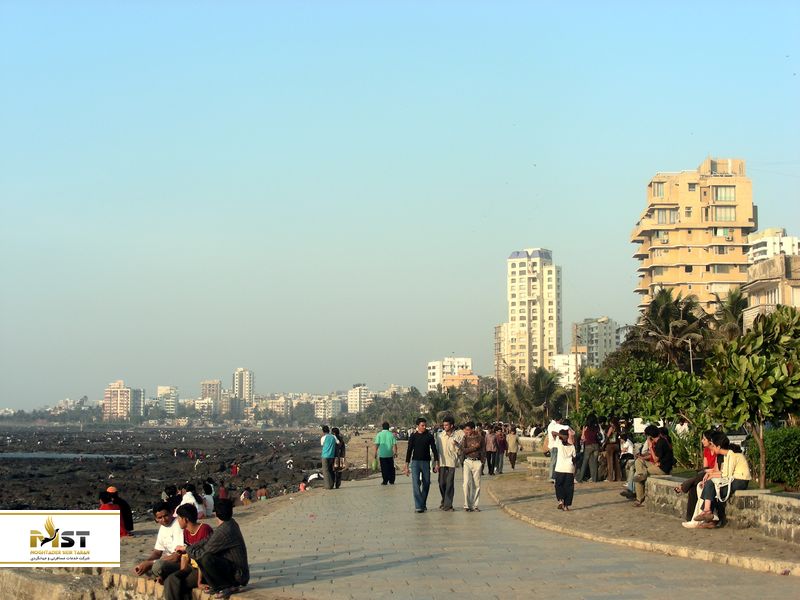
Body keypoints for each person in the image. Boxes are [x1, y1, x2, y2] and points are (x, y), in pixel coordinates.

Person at [185, 499, 249, 599]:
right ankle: (219, 586)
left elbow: (202, 553)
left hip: (238, 576)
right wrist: (192, 547)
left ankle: (225, 587)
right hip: (238, 572)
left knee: (205, 558)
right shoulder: (230, 523)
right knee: (205, 556)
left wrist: (187, 549)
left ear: (216, 514)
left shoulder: (224, 531)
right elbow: (209, 538)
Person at [690, 431, 751, 528]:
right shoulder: (727, 455)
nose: (712, 448)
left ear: (718, 447)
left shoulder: (732, 455)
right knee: (711, 486)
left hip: (740, 481)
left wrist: (711, 475)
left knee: (712, 486)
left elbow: (726, 475)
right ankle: (708, 515)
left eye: (713, 446)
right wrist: (711, 474)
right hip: (734, 480)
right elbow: (724, 473)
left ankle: (707, 512)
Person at [163, 504, 214, 600]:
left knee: (181, 584)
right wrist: (182, 572)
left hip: (204, 569)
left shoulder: (204, 529)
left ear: (185, 519)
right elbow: (185, 555)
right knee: (171, 579)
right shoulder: (186, 531)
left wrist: (199, 582)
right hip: (192, 566)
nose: (177, 521)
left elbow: (204, 558)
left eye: (178, 518)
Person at [133, 501, 184, 582]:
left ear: (172, 512)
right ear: (156, 519)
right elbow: (157, 553)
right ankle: (160, 576)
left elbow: (177, 556)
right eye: (160, 518)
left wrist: (151, 563)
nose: (163, 520)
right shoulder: (163, 527)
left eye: (166, 515)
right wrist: (145, 563)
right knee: (141, 564)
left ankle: (162, 576)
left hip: (180, 562)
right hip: (168, 560)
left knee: (157, 566)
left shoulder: (178, 525)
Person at [632, 424, 674, 506]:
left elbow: (655, 459)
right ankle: (641, 475)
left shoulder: (660, 443)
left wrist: (650, 447)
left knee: (639, 477)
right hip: (657, 465)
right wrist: (642, 457)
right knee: (639, 461)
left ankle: (639, 499)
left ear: (650, 436)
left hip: (662, 469)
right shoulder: (660, 441)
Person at [403, 417, 439, 513]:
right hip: (415, 463)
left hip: (426, 462)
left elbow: (434, 450)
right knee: (416, 483)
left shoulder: (429, 436)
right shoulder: (413, 436)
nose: (424, 427)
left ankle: (422, 503)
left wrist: (436, 463)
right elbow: (409, 450)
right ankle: (419, 506)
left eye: (425, 425)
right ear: (417, 426)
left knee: (426, 483)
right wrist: (406, 465)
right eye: (422, 425)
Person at [435, 415, 463, 511]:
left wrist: (458, 445)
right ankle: (444, 500)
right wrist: (436, 463)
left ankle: (448, 505)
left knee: (450, 484)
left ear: (451, 425)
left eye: (447, 425)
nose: (445, 427)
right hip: (442, 462)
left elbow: (460, 451)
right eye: (444, 425)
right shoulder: (439, 436)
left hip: (451, 462)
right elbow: (436, 450)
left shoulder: (457, 436)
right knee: (441, 483)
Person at [460, 421, 486, 512]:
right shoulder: (465, 438)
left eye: (468, 430)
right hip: (467, 461)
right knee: (466, 483)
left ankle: (474, 505)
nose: (466, 431)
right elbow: (463, 450)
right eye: (465, 430)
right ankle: (467, 505)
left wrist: (482, 463)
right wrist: (474, 448)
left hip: (477, 462)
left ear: (473, 429)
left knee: (477, 484)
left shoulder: (480, 438)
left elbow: (483, 451)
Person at [552, 429, 576, 511]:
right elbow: (574, 459)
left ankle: (561, 500)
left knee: (558, 485)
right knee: (568, 488)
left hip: (560, 468)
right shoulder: (572, 446)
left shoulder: (559, 444)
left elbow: (553, 433)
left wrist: (561, 436)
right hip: (569, 469)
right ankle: (566, 505)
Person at [578, 415, 601, 483]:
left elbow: (582, 438)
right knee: (594, 462)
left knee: (585, 462)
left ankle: (580, 478)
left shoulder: (586, 427)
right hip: (596, 446)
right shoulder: (597, 427)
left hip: (588, 446)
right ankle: (594, 479)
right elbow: (600, 435)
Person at [546, 417, 565, 481]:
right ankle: (551, 476)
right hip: (554, 445)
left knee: (554, 461)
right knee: (553, 461)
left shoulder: (551, 425)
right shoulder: (553, 425)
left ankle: (553, 476)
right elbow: (553, 433)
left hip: (553, 445)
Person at [603, 418, 622, 482]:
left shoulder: (611, 427)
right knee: (616, 462)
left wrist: (604, 444)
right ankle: (618, 477)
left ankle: (610, 478)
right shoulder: (618, 428)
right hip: (616, 445)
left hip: (610, 445)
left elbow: (608, 436)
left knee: (610, 462)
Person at [320, 425, 337, 490]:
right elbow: (337, 442)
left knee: (325, 471)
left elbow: (322, 444)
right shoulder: (333, 437)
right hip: (332, 456)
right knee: (331, 470)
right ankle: (332, 484)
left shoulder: (323, 438)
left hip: (325, 455)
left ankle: (327, 486)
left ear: (323, 431)